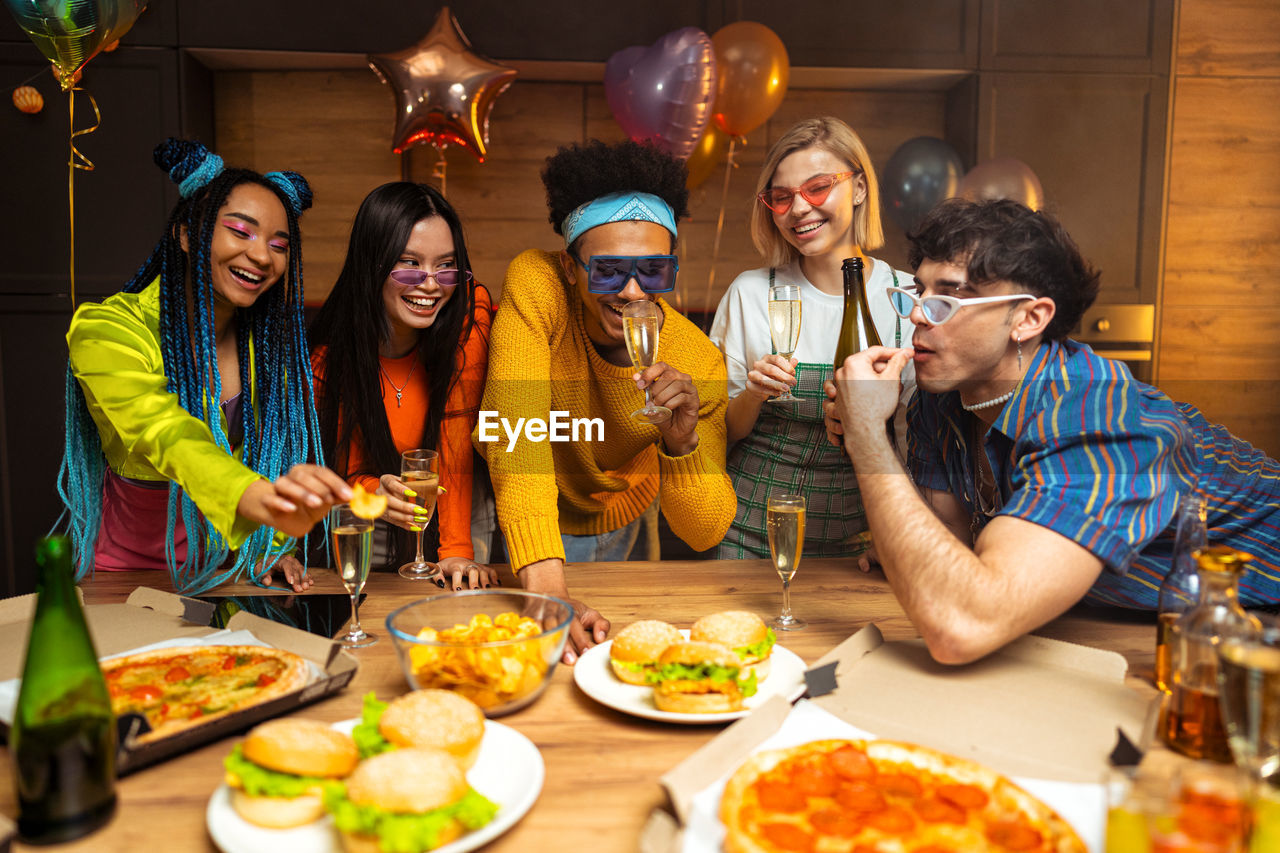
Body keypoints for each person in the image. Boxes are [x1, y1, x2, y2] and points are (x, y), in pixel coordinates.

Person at [823, 198, 1280, 664]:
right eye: (918, 293)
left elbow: (961, 624)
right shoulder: (941, 396)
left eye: (949, 299)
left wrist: (867, 438)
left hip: (1255, 622)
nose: (918, 315)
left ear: (1029, 318)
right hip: (1142, 623)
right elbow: (944, 547)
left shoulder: (1102, 417)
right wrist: (869, 427)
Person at [478, 139, 736, 662]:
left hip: (625, 528)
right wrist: (548, 583)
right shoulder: (538, 282)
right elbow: (513, 430)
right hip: (531, 525)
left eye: (653, 271)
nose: (634, 292)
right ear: (570, 266)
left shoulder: (699, 360)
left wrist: (681, 443)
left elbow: (706, 529)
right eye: (608, 271)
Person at [60, 138, 351, 594]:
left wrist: (273, 546)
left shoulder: (266, 350)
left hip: (228, 573)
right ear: (186, 234)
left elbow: (273, 457)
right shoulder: (107, 329)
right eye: (241, 231)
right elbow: (163, 430)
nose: (262, 256)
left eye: (279, 244)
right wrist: (257, 499)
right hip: (128, 576)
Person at [710, 117, 911, 560]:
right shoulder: (749, 292)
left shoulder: (910, 298)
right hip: (751, 532)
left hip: (869, 537)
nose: (799, 209)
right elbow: (719, 433)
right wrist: (753, 395)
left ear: (859, 188)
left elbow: (920, 444)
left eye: (818, 188)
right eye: (781, 198)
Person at [309, 182, 496, 590]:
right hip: (372, 520)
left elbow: (457, 438)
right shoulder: (330, 357)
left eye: (446, 266)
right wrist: (377, 490)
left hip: (460, 514)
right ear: (372, 264)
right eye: (409, 264)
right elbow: (347, 466)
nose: (430, 284)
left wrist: (457, 550)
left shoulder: (470, 316)